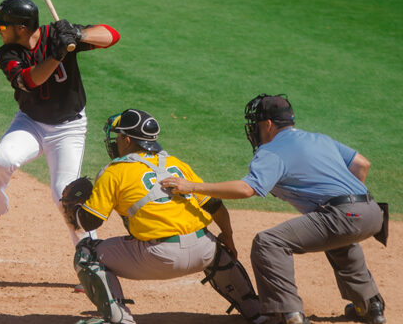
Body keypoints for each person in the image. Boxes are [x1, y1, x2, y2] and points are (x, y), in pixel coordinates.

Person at [160, 94, 388, 324]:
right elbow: (362, 164)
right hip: (372, 211)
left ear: (268, 124)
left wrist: (192, 186)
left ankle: (288, 315)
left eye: (257, 125)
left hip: (344, 215)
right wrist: (353, 206)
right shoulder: (318, 138)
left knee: (268, 243)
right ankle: (369, 306)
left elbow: (246, 189)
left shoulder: (272, 150)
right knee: (340, 240)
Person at [66, 109, 262, 324]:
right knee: (216, 246)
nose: (115, 142)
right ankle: (257, 313)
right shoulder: (177, 164)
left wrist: (73, 209)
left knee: (86, 254)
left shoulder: (114, 171)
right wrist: (228, 236)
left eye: (118, 137)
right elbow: (215, 205)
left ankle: (120, 319)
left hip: (159, 256)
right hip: (204, 252)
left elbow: (90, 222)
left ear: (127, 139)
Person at [0, 0, 120, 252]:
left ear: (21, 28)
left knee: (66, 196)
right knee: (2, 159)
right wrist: (59, 53)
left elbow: (111, 35)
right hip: (31, 123)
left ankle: (93, 259)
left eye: (3, 26)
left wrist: (78, 34)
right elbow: (30, 80)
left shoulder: (58, 35)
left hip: (68, 129)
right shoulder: (8, 53)